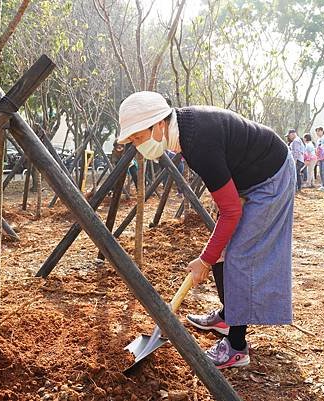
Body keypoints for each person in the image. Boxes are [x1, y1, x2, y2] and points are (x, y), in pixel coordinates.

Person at [118, 91, 295, 369]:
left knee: (238, 255)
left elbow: (231, 211)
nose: (138, 146)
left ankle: (237, 348)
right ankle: (228, 316)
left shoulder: (198, 143)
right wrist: (210, 255)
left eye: (139, 138)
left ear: (159, 125)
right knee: (223, 248)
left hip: (271, 177)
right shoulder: (185, 132)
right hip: (250, 174)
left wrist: (205, 259)